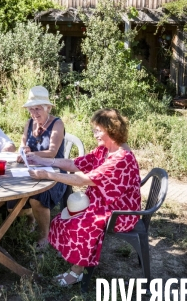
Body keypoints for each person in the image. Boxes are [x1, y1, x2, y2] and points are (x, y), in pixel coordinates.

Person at [27, 108, 141, 286]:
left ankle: (77, 272)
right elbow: (75, 164)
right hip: (103, 202)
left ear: (112, 130)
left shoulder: (121, 158)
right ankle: (72, 254)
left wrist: (48, 174)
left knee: (81, 224)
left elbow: (82, 179)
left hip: (120, 210)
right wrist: (45, 161)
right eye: (94, 129)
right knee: (61, 218)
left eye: (98, 130)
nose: (94, 133)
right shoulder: (104, 150)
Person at [0, 86, 66, 249]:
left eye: (37, 109)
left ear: (48, 107)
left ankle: (44, 236)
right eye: (31, 109)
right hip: (30, 169)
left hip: (54, 172)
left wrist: (35, 156)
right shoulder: (29, 123)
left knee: (37, 197)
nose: (34, 113)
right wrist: (23, 151)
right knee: (7, 186)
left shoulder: (57, 124)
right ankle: (24, 219)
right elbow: (23, 144)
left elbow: (52, 152)